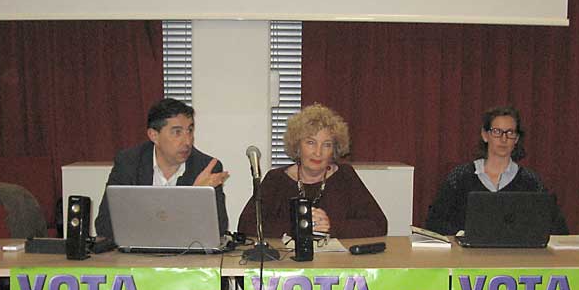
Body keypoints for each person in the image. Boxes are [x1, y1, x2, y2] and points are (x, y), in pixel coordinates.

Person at [237, 103, 387, 239]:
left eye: (326, 145)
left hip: (335, 260)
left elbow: (378, 224)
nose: (318, 152)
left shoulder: (345, 176)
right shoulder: (276, 179)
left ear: (334, 149)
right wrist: (299, 226)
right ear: (297, 145)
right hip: (288, 259)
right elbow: (246, 225)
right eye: (310, 143)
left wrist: (331, 226)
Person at [95, 97, 229, 240]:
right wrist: (191, 197)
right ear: (154, 135)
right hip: (138, 251)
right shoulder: (129, 163)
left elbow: (218, 229)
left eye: (190, 130)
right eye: (177, 132)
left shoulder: (205, 168)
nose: (188, 141)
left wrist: (199, 196)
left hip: (186, 252)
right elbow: (105, 226)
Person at [425, 106, 568, 235]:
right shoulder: (459, 177)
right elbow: (434, 222)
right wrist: (461, 235)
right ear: (485, 135)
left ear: (516, 139)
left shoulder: (531, 182)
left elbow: (556, 227)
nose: (503, 139)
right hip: (467, 255)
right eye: (497, 132)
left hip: (516, 255)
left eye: (510, 132)